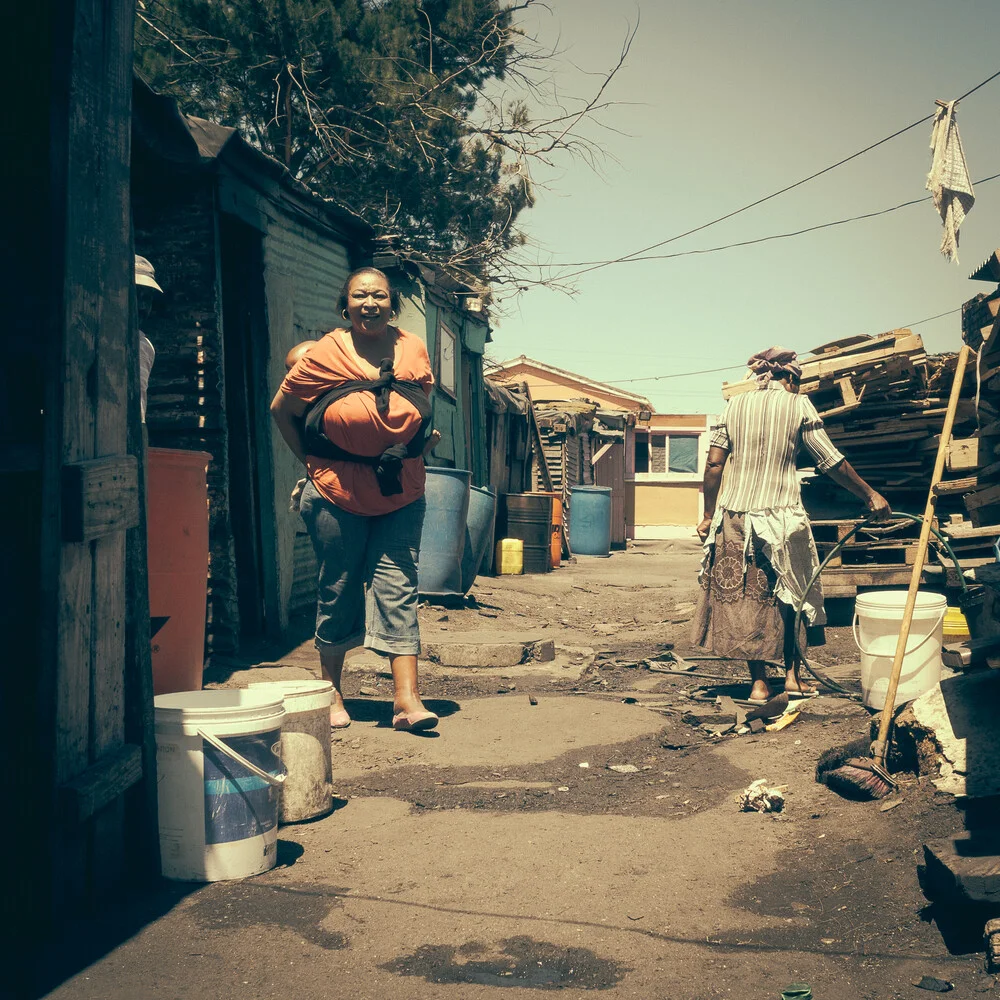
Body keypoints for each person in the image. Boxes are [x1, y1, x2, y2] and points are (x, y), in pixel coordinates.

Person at [270, 268, 441, 733]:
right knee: (338, 589)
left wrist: (416, 441)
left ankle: (407, 701)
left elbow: (419, 400)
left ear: (393, 303)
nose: (370, 302)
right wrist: (311, 462)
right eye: (360, 295)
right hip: (335, 492)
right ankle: (331, 694)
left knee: (398, 587)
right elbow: (282, 410)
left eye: (379, 295)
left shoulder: (414, 347)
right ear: (346, 305)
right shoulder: (327, 351)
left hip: (400, 488)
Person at [692, 346, 891, 704]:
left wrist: (708, 515)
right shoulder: (798, 405)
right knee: (791, 595)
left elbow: (714, 465)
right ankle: (793, 678)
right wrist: (869, 494)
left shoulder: (733, 406)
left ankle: (758, 685)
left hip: (736, 517)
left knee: (745, 599)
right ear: (792, 378)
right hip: (782, 516)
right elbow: (829, 460)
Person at [134, 255, 161, 423]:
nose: (143, 307)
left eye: (148, 298)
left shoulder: (143, 346)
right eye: (137, 295)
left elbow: (139, 408)